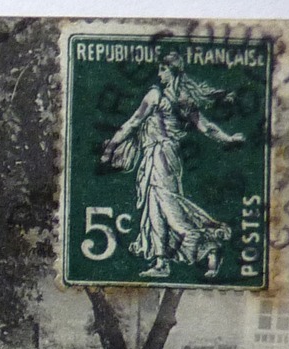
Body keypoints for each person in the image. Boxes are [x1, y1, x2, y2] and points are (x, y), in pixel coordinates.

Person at [102, 52, 244, 280]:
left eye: (162, 69)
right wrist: (227, 139)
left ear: (171, 71)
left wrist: (111, 146)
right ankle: (161, 262)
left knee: (169, 209)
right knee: (155, 209)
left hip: (159, 155)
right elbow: (206, 128)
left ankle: (210, 243)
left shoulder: (155, 95)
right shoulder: (183, 98)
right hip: (166, 156)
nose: (159, 74)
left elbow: (133, 122)